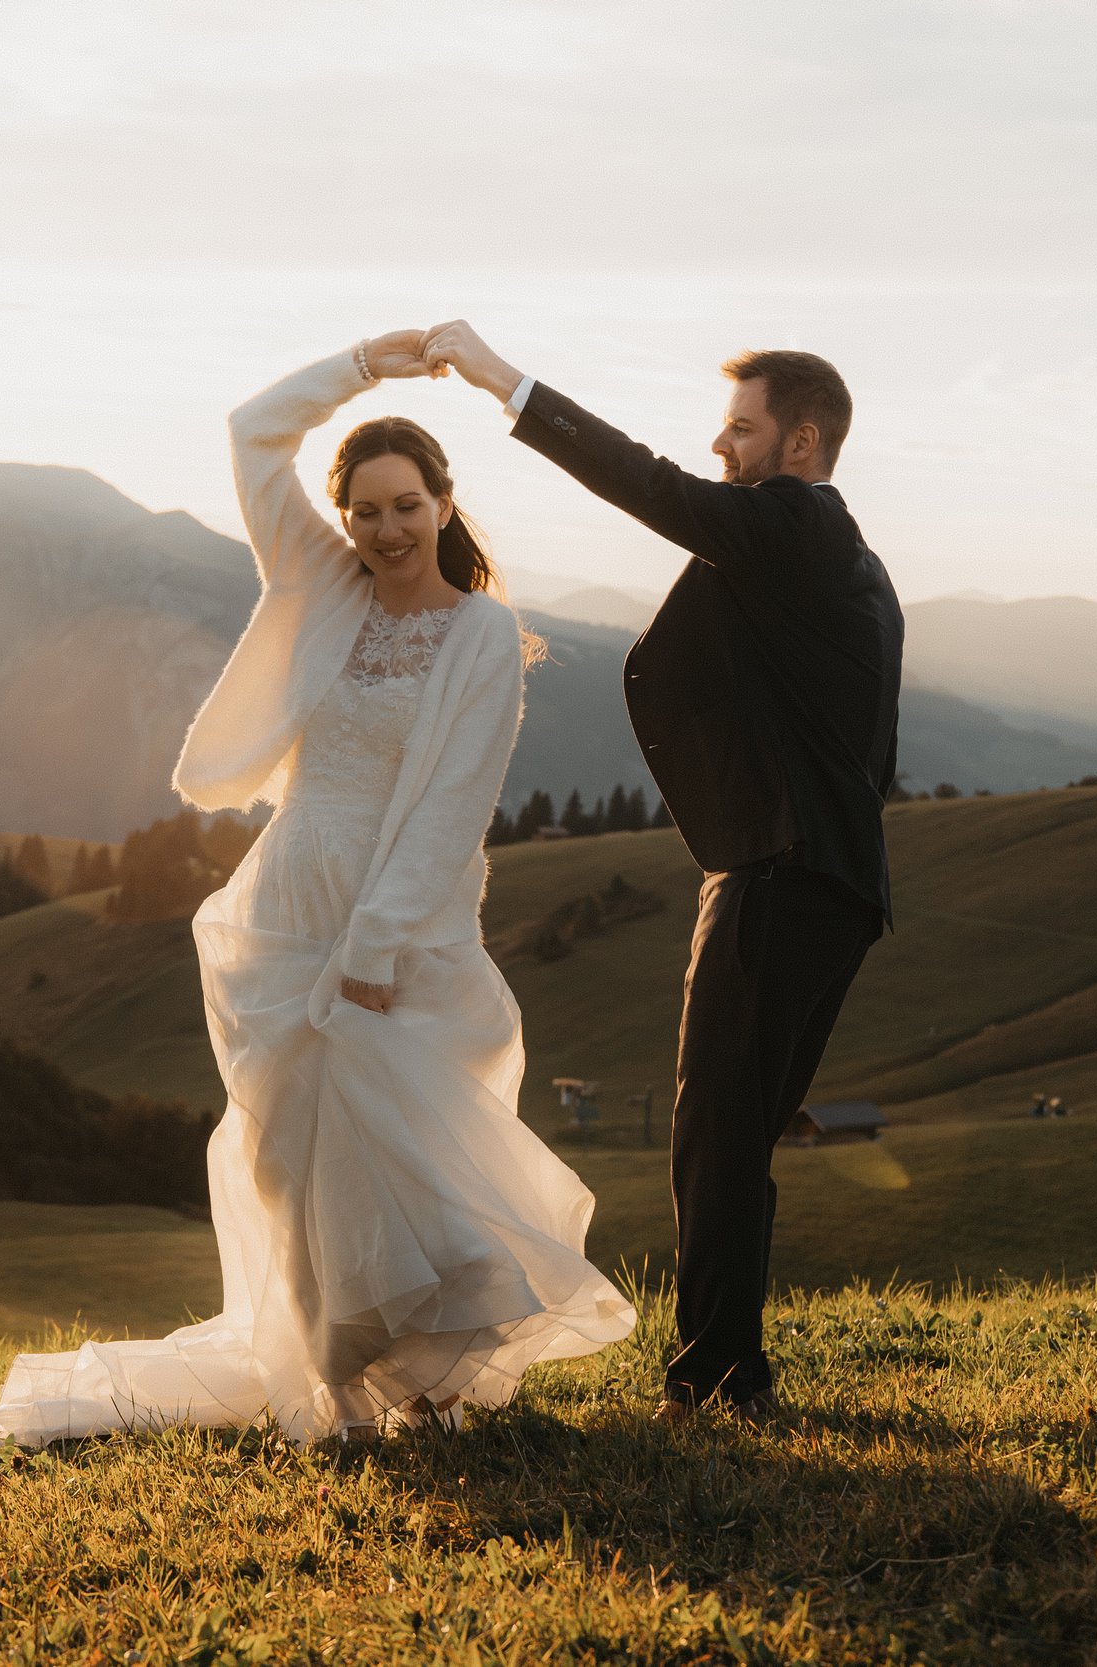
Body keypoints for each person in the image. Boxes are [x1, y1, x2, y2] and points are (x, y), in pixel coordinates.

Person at [0, 335, 635, 1447]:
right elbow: (251, 431)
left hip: (401, 913)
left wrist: (377, 951)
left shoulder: (481, 633)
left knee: (413, 1150)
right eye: (365, 510)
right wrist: (364, 365)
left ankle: (421, 1375)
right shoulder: (318, 580)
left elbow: (450, 803)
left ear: (444, 502)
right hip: (286, 897)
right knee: (288, 1158)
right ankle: (327, 1391)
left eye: (406, 505)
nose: (385, 530)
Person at [425, 321, 903, 1422]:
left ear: (800, 441)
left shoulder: (790, 526)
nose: (719, 445)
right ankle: (726, 1369)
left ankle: (717, 1378)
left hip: (777, 875)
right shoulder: (846, 558)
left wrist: (506, 381)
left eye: (741, 428)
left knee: (714, 1132)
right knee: (732, 1136)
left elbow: (648, 486)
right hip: (827, 880)